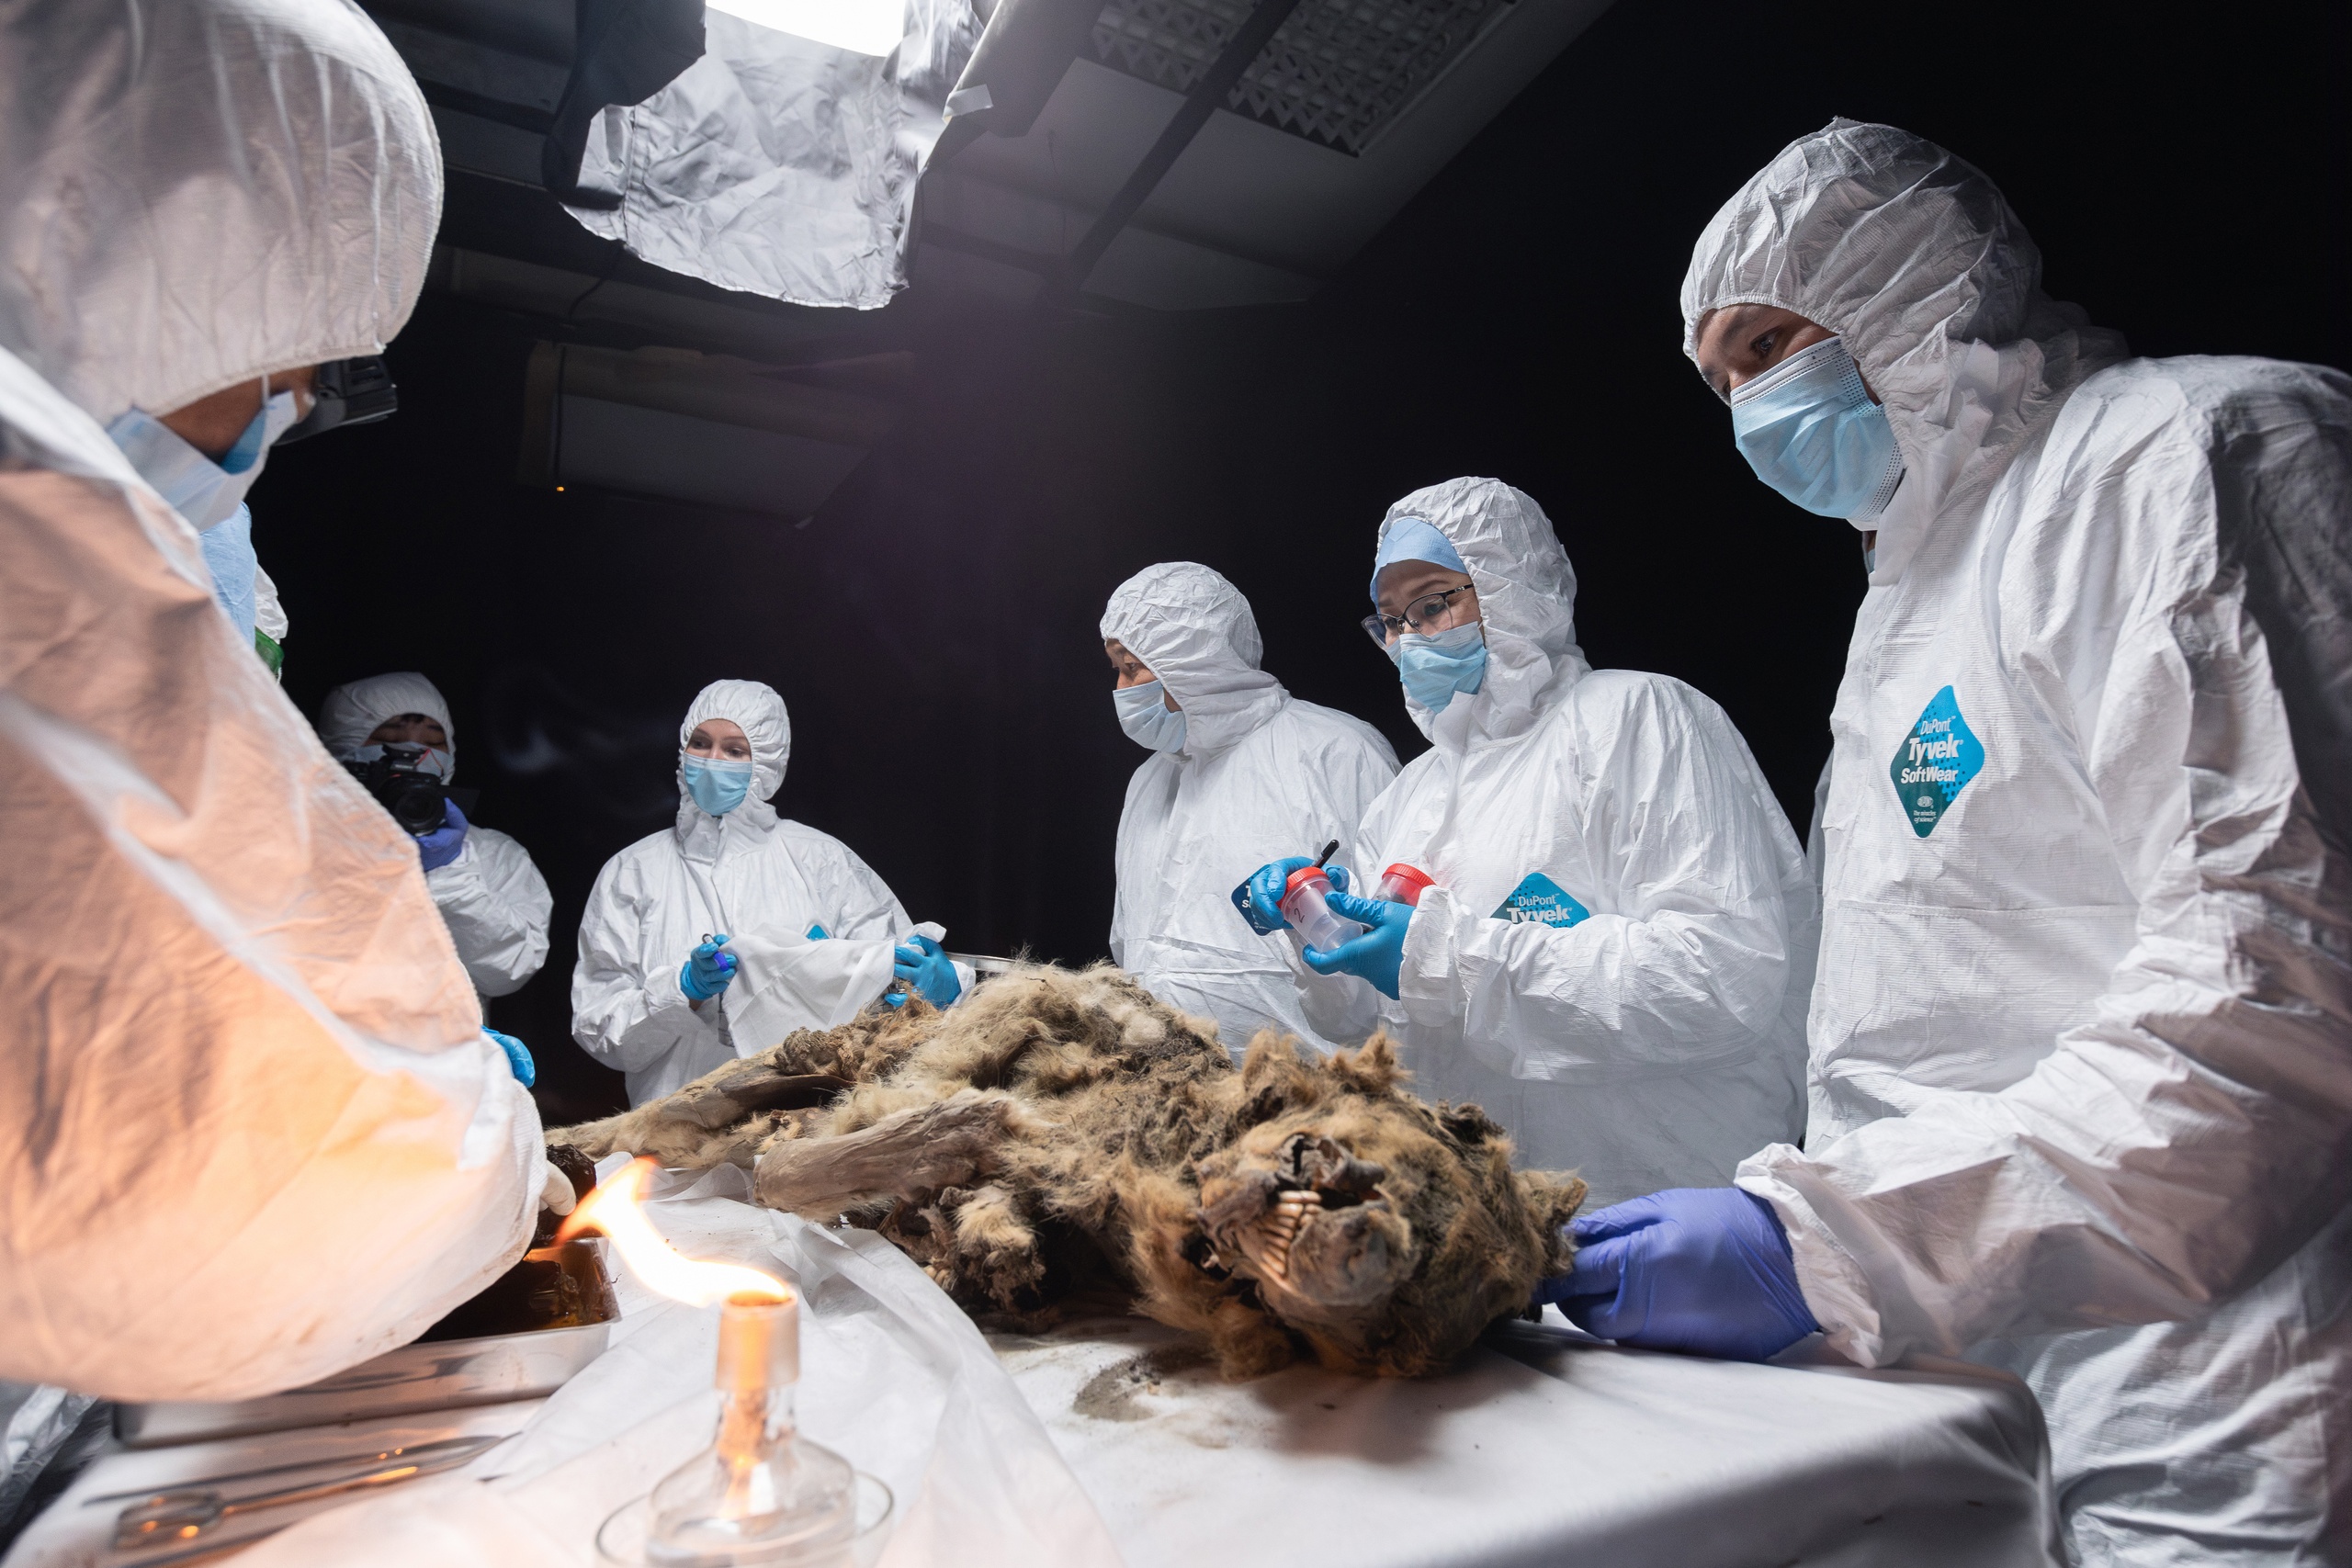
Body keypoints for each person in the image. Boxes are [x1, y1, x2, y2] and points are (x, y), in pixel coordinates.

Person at [1549, 120, 2352, 1563]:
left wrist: (1840, 1238)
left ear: (1902, 278)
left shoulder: (2188, 453)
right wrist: (1856, 1234)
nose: (1745, 403)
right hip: (1969, 1351)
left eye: (1767, 341)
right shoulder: (1910, 608)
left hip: (2223, 1371)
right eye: (1719, 377)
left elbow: (2283, 995)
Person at [0, 0, 555, 1403]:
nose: (285, 417)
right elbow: (217, 1204)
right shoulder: (41, 532)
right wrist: (469, 1139)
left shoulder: (130, 533)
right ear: (159, 251)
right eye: (286, 369)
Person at [1242, 478, 1814, 1204]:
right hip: (1476, 1231)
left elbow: (1719, 978)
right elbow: (1359, 1023)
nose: (1409, 637)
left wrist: (1449, 958)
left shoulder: (1638, 720)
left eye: (1432, 602)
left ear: (1512, 584)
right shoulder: (1410, 797)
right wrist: (1316, 931)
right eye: (1390, 620)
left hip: (1649, 1199)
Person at [573, 679, 968, 1104]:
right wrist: (682, 991)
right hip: (672, 1138)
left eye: (735, 751)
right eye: (701, 743)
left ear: (767, 763)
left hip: (806, 1131)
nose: (712, 761)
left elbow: (897, 974)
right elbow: (599, 1028)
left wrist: (943, 992)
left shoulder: (821, 861)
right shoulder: (632, 873)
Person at [1102, 563, 1397, 1060]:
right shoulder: (1149, 782)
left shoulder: (1336, 752)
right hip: (1167, 1098)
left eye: (1132, 667)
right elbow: (1131, 945)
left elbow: (1388, 961)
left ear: (1194, 662)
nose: (1122, 688)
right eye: (1116, 668)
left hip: (1311, 1102)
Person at [317, 672, 554, 1002]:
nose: (413, 752)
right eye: (389, 735)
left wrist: (450, 872)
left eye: (432, 743)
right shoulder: (296, 841)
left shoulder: (493, 855)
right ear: (342, 744)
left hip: (442, 1051)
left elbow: (509, 971)